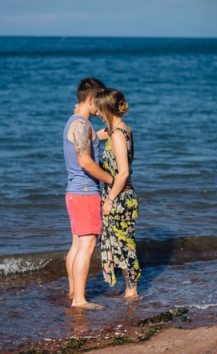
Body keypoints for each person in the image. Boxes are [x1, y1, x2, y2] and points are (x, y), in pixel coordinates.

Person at [63, 77, 114, 309]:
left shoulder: (79, 122)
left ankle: (74, 292)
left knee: (76, 246)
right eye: (100, 101)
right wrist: (111, 180)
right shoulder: (82, 125)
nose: (101, 106)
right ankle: (80, 301)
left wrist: (115, 127)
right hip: (85, 192)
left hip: (75, 192)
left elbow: (95, 138)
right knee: (88, 247)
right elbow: (84, 160)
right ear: (91, 99)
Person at [95, 88, 140, 299]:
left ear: (108, 109)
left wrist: (110, 200)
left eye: (100, 110)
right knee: (121, 244)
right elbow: (94, 135)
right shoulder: (119, 129)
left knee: (125, 245)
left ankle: (132, 291)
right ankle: (130, 290)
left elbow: (123, 172)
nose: (98, 114)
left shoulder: (118, 135)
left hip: (120, 197)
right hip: (121, 195)